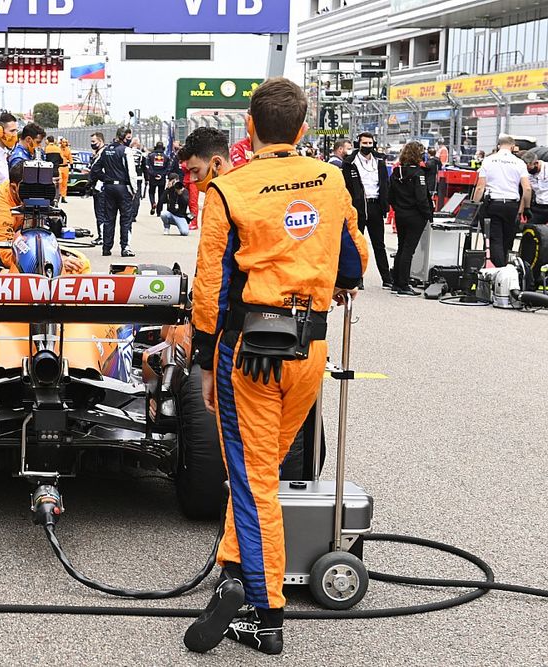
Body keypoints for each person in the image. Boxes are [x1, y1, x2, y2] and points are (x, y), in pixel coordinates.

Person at [183, 78, 367, 657]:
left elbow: (210, 289)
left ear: (249, 125)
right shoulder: (331, 179)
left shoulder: (228, 190)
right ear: (304, 128)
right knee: (259, 474)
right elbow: (354, 266)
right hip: (309, 352)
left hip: (250, 357)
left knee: (252, 478)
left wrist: (206, 364)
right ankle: (234, 573)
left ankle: (266, 615)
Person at [342, 132, 393, 288]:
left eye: (370, 143)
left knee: (379, 244)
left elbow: (385, 183)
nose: (367, 146)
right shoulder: (350, 162)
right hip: (358, 206)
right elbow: (346, 185)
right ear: (359, 143)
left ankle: (387, 278)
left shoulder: (379, 160)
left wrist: (386, 203)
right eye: (364, 143)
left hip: (376, 205)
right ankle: (358, 279)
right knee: (357, 244)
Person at [473, 135, 532, 267]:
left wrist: (473, 205)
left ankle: (498, 272)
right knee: (507, 240)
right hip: (512, 206)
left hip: (493, 204)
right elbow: (527, 189)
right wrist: (526, 208)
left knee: (494, 240)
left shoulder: (488, 160)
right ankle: (506, 270)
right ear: (512, 147)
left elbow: (480, 187)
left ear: (498, 146)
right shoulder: (519, 163)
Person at [389, 142, 433, 296]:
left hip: (400, 214)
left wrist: (399, 208)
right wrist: (428, 214)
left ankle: (396, 282)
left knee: (401, 248)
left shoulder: (396, 172)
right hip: (415, 216)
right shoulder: (418, 174)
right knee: (409, 250)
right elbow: (422, 198)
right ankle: (404, 285)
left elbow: (390, 196)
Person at [89, 126, 138, 257]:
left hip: (109, 188)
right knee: (126, 218)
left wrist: (105, 178)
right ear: (123, 138)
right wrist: (134, 190)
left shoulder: (105, 151)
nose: (129, 140)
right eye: (128, 137)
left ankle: (106, 248)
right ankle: (125, 247)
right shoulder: (126, 150)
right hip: (123, 187)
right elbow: (131, 173)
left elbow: (95, 169)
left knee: (109, 218)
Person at [88, 132, 107, 244]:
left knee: (101, 212)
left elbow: (97, 170)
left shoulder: (103, 153)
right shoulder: (97, 153)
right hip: (98, 186)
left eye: (94, 142)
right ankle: (102, 235)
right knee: (99, 212)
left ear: (101, 141)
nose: (92, 144)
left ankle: (102, 237)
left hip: (101, 187)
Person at [521, 151, 548, 225]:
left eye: (529, 169)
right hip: (538, 206)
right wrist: (522, 210)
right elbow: (526, 191)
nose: (528, 171)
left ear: (536, 163)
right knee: (530, 227)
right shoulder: (526, 174)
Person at [145, 142, 170, 216]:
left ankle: (153, 203)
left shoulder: (150, 156)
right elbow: (168, 168)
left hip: (152, 178)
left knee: (151, 192)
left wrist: (154, 174)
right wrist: (161, 175)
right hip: (162, 178)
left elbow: (148, 167)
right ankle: (159, 211)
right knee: (161, 194)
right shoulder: (166, 157)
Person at [58, 138, 73, 203]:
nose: (64, 143)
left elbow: (70, 159)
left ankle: (63, 197)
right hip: (59, 167)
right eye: (63, 142)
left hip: (66, 168)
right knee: (59, 183)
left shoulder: (68, 150)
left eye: (65, 142)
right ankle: (58, 196)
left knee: (64, 183)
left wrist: (72, 168)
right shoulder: (58, 149)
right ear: (61, 142)